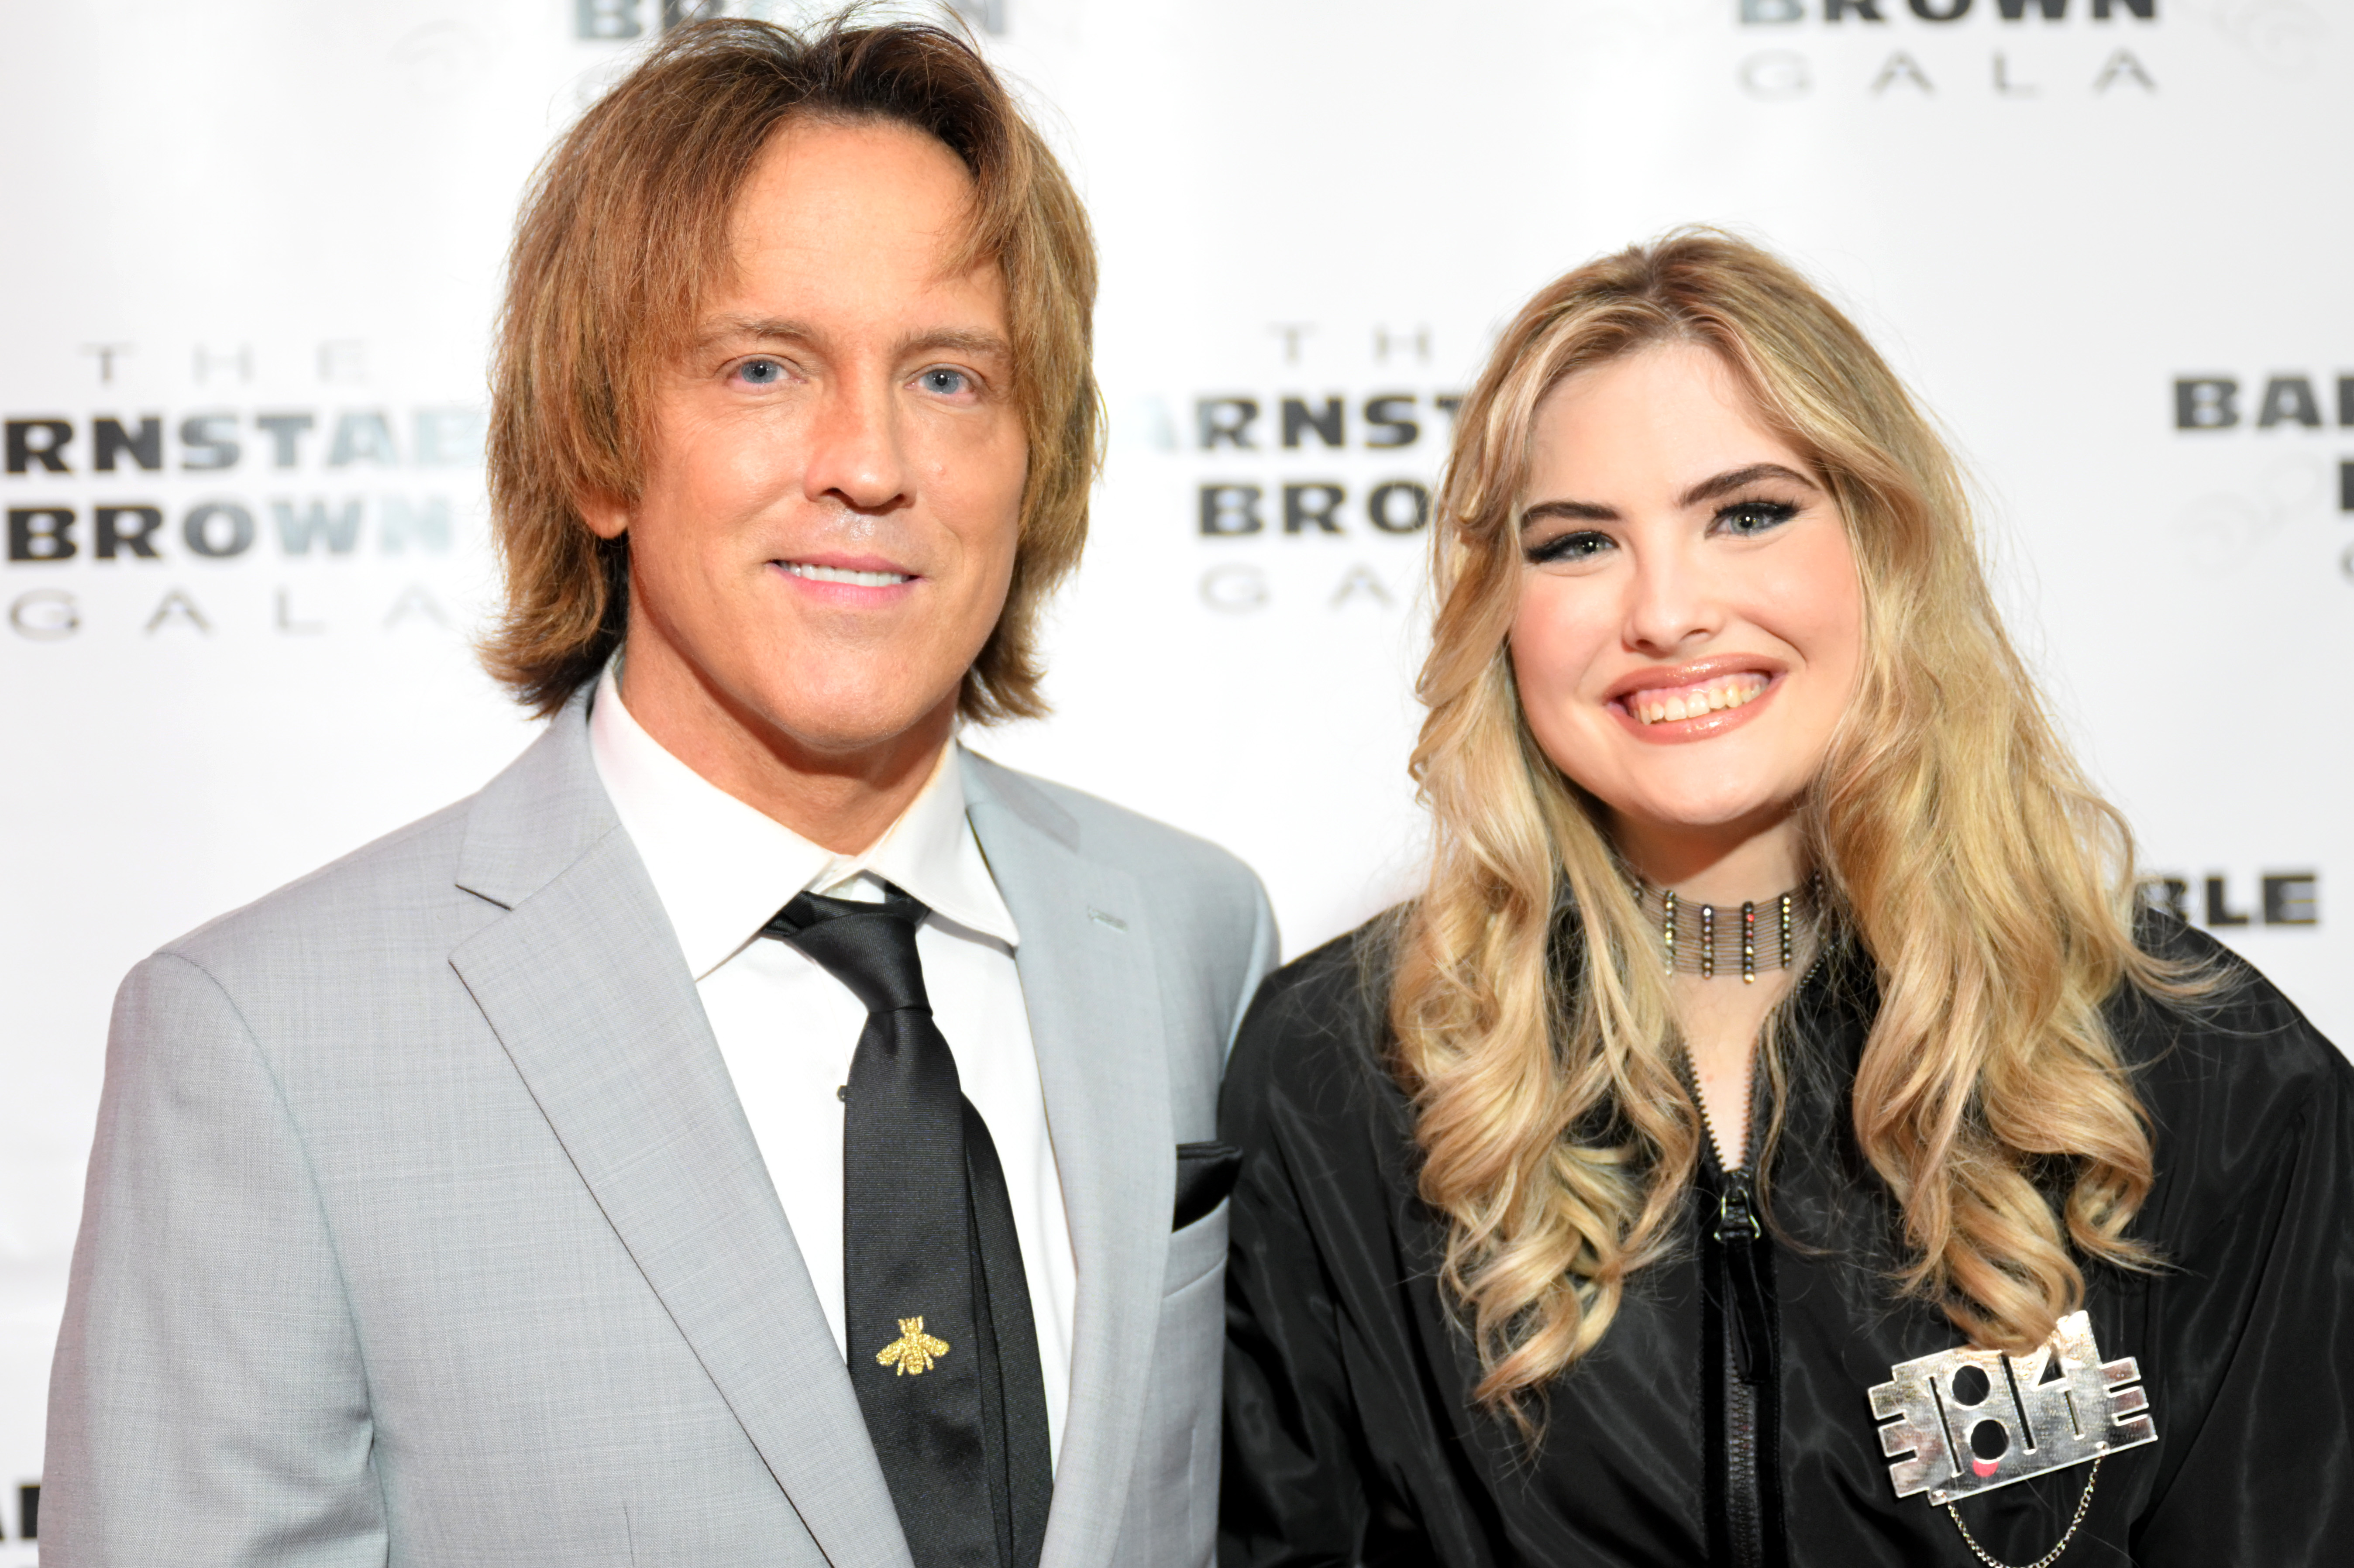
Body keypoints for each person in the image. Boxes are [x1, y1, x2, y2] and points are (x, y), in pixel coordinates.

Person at [46, 18, 1273, 1568]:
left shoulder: (1190, 932)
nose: (870, 463)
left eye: (951, 377)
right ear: (597, 446)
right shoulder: (266, 1044)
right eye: (765, 367)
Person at [1218, 231, 2352, 1568]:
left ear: (1881, 547)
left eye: (1746, 513)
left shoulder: (2205, 1068)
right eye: (1578, 543)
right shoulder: (1345, 1075)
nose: (1666, 610)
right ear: (1501, 617)